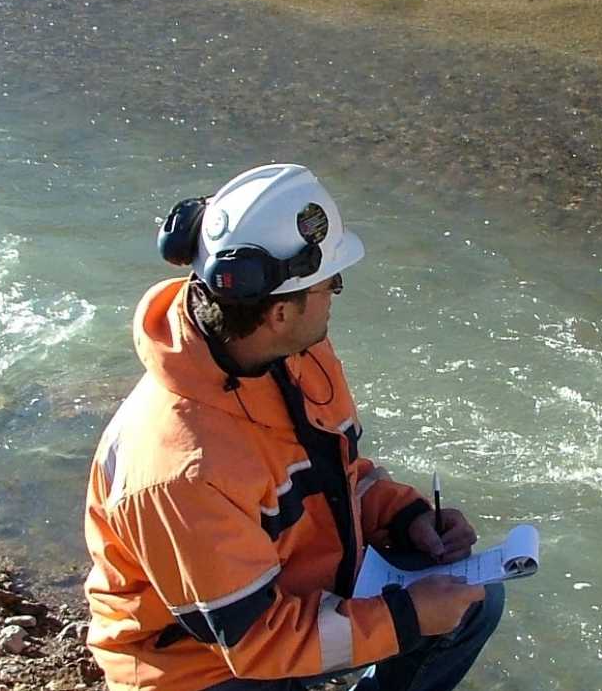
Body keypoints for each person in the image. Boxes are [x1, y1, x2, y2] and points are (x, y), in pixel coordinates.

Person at [83, 163, 504, 691]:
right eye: (332, 283)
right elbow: (255, 642)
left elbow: (333, 475)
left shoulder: (293, 352)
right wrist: (408, 618)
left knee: (476, 599)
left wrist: (405, 517)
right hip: (204, 665)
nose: (336, 294)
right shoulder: (182, 469)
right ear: (279, 312)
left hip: (283, 599)